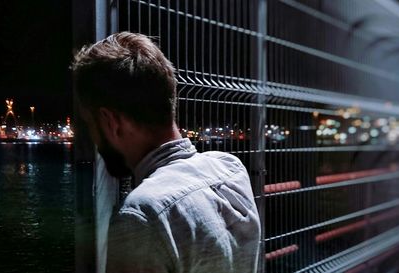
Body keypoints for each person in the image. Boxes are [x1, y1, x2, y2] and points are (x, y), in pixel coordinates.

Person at [71, 32, 261, 273]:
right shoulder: (230, 170)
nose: (93, 139)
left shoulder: (142, 216)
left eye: (90, 124)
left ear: (111, 122)